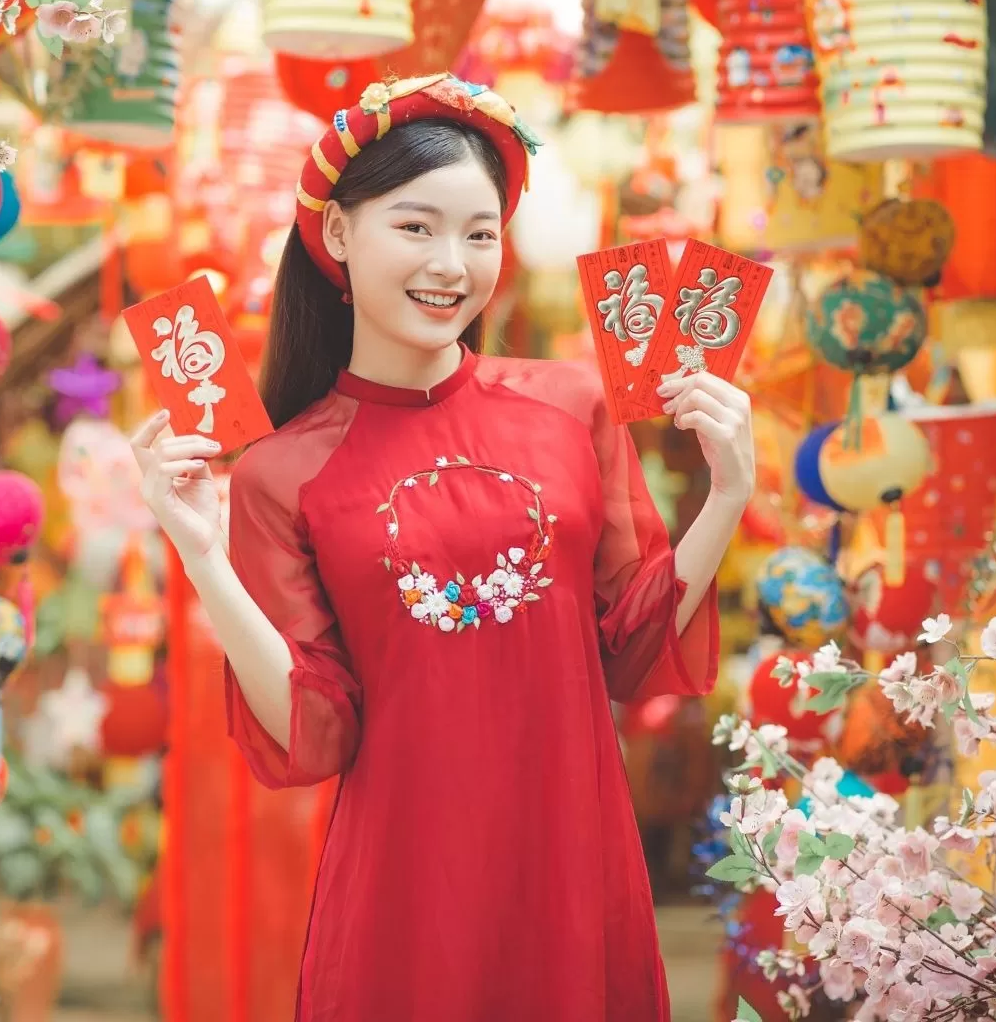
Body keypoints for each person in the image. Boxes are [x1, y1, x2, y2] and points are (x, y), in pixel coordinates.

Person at [129, 75, 755, 1020]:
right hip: (403, 901)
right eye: (415, 227)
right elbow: (314, 726)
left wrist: (728, 494)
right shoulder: (278, 472)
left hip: (573, 873)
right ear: (338, 235)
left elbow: (631, 642)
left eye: (478, 232)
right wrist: (204, 559)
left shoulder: (571, 405)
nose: (451, 264)